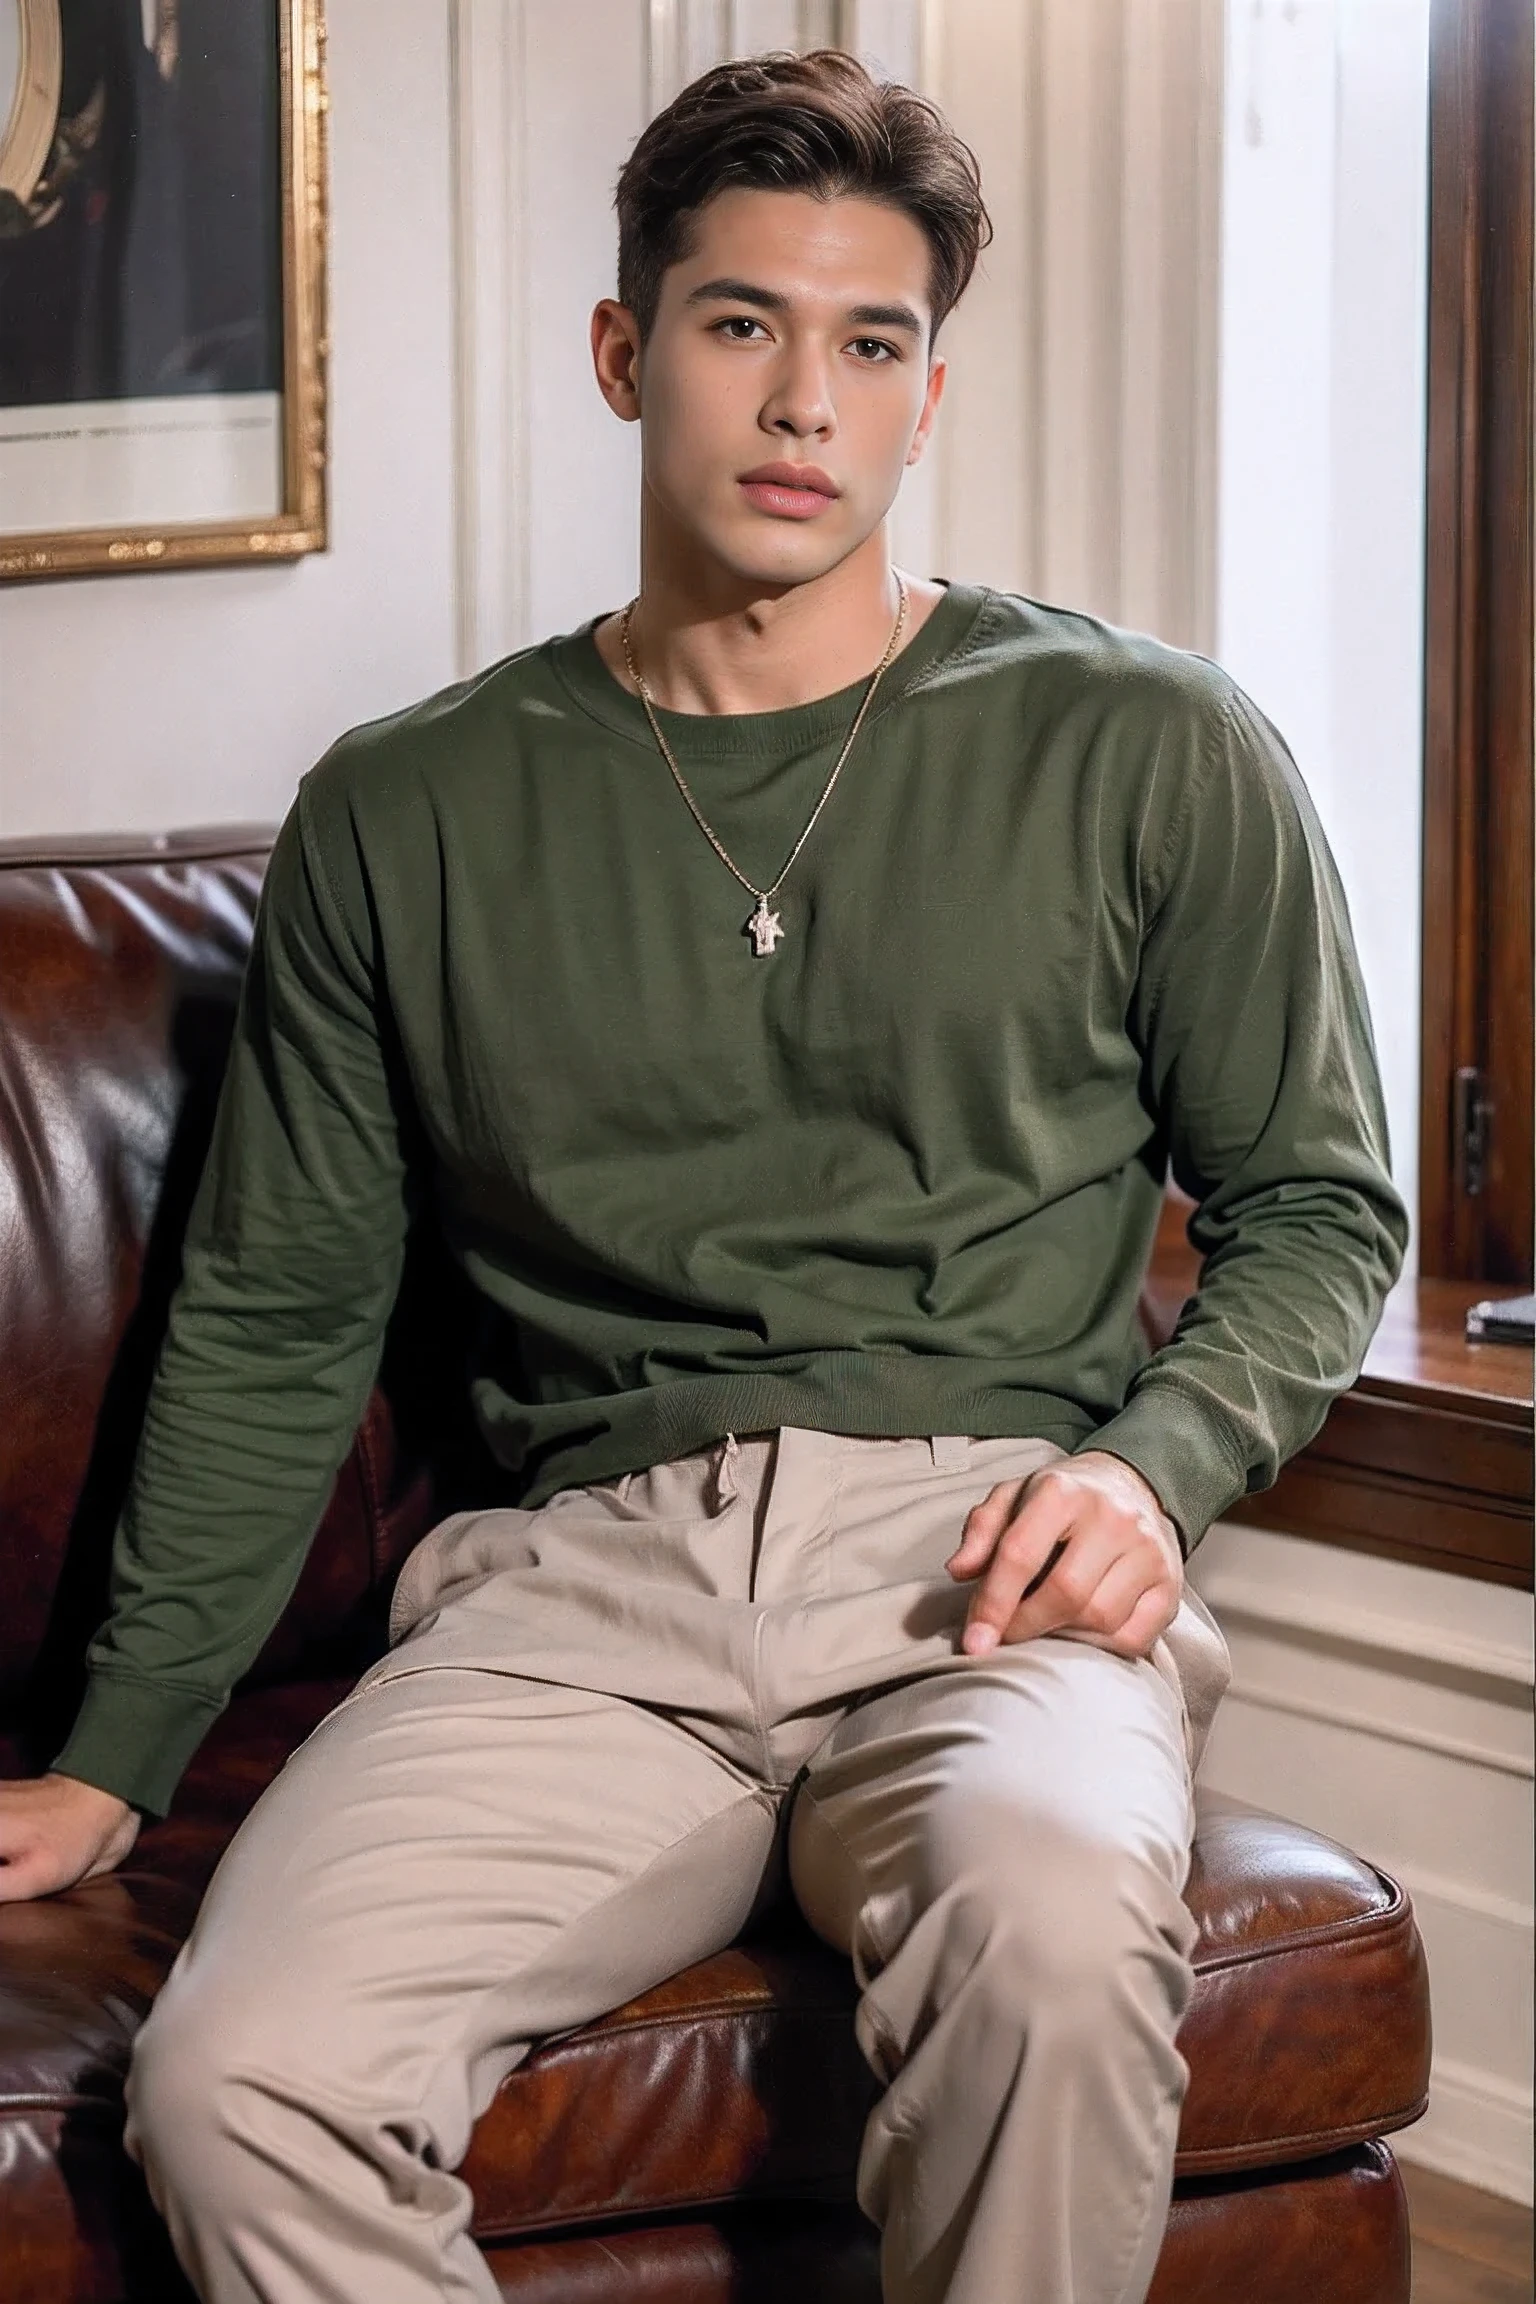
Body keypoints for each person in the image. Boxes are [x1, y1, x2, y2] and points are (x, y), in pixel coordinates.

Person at [0, 48, 1408, 2304]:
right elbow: (279, 1309)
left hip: (984, 1570)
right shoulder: (413, 805)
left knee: (1051, 1931)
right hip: (580, 1602)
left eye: (869, 346)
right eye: (742, 324)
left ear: (929, 398)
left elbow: (1323, 1205)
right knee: (232, 2080)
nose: (802, 402)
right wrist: (118, 1751)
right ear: (624, 351)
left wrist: (1149, 1478)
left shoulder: (1147, 747)